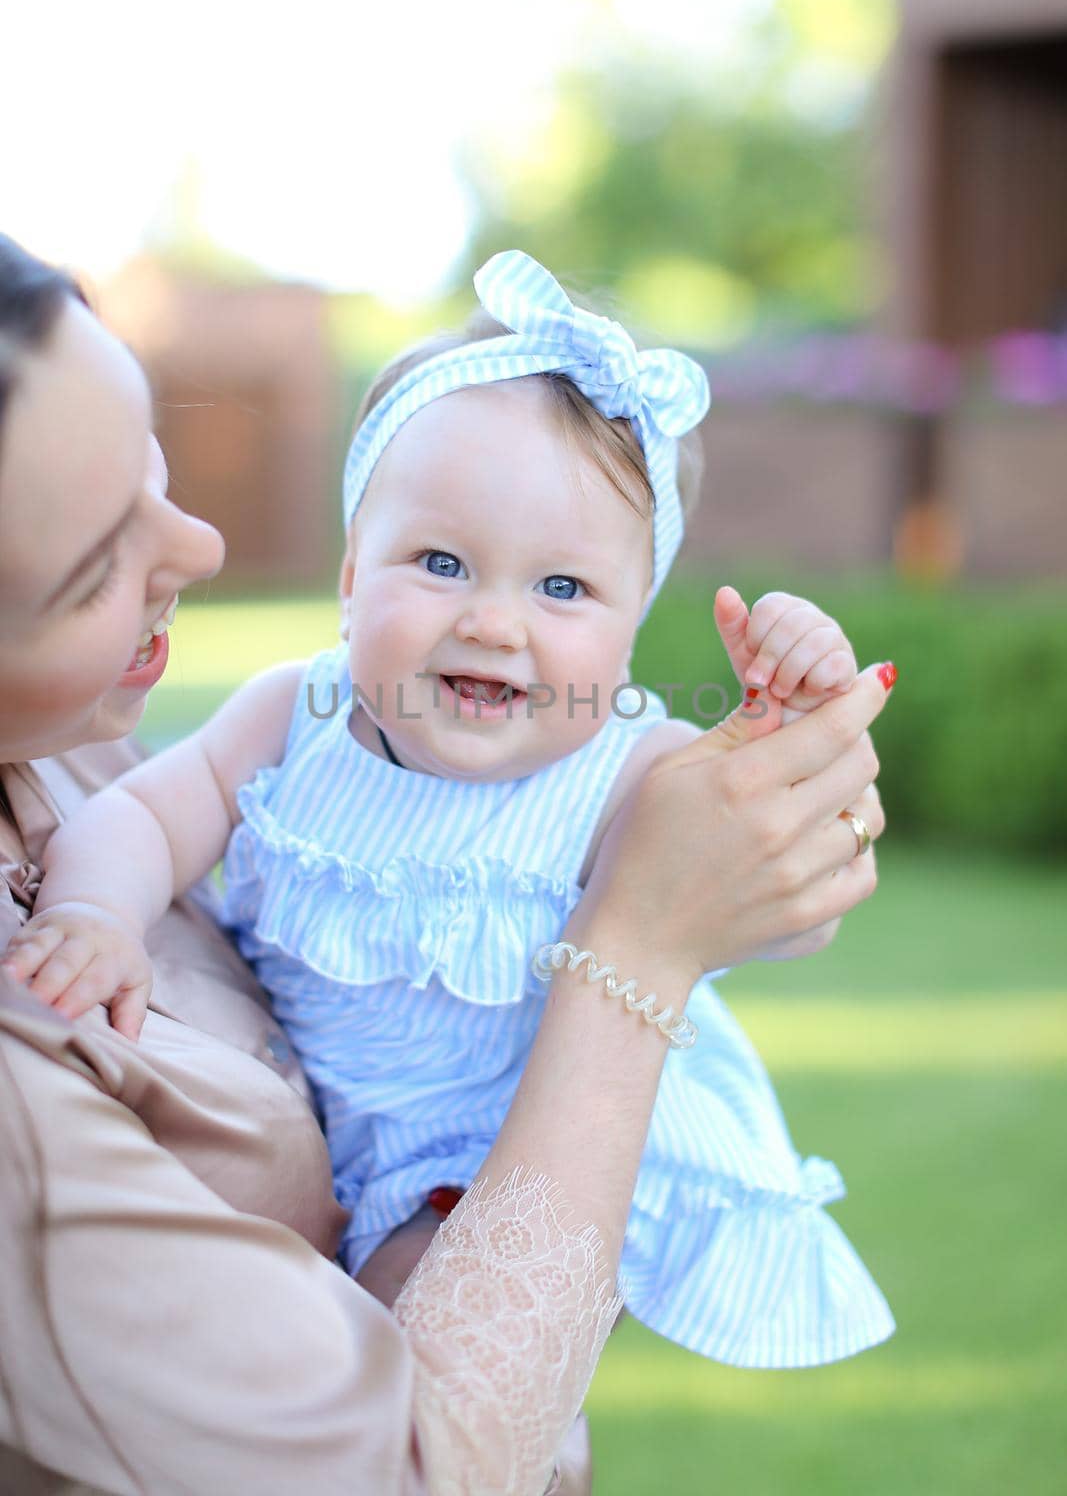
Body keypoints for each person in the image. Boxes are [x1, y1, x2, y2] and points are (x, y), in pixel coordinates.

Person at [7, 246, 897, 1386]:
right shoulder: (297, 714)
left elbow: (777, 910)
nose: (493, 621)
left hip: (505, 1163)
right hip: (313, 1133)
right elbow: (138, 815)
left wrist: (793, 728)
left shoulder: (625, 771)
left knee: (395, 1359)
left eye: (560, 587)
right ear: (346, 576)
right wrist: (92, 913)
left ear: (632, 628)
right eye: (439, 562)